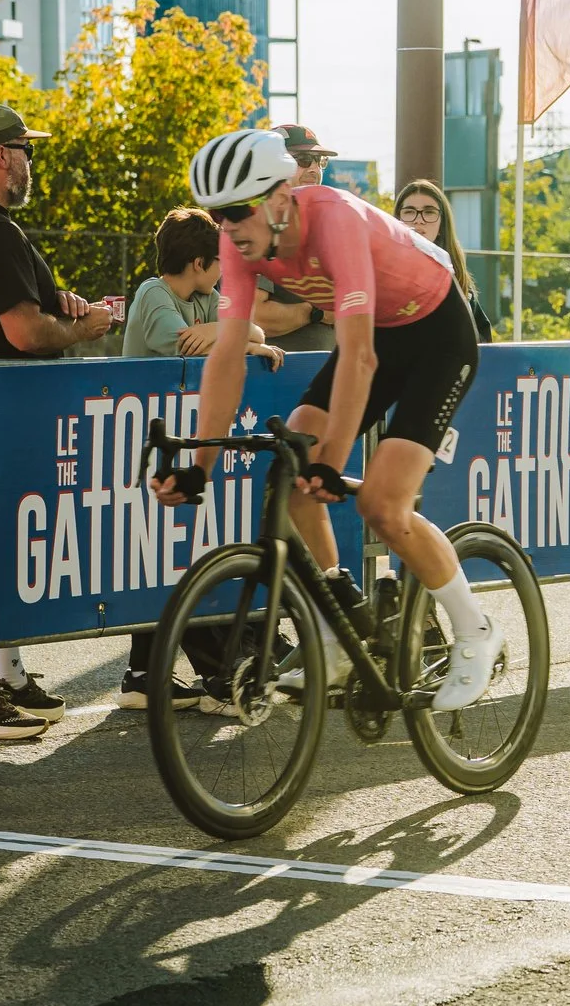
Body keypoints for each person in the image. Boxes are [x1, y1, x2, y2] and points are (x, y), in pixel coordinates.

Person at [150, 128, 499, 711]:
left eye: (239, 212)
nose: (228, 229)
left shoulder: (335, 220)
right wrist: (199, 468)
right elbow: (227, 359)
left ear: (281, 198)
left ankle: (475, 630)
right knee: (290, 486)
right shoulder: (239, 245)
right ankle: (339, 631)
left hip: (437, 333)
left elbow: (360, 355)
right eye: (219, 216)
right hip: (381, 336)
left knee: (381, 506)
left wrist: (333, 462)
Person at [0, 101, 125, 741]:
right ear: (3, 156)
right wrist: (84, 326)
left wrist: (55, 300)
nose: (31, 163)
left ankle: (6, 676)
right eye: (26, 151)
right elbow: (26, 331)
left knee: (1, 547)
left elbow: (8, 303)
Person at [116, 207, 282, 711]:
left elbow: (246, 332)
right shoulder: (152, 295)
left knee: (169, 557)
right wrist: (228, 337)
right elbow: (183, 350)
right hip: (146, 447)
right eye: (219, 263)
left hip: (183, 443)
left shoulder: (207, 298)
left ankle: (143, 675)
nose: (225, 274)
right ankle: (211, 674)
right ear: (196, 262)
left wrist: (230, 335)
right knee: (164, 559)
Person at [122, 207, 285, 365]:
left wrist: (216, 329)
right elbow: (191, 351)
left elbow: (256, 334)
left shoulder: (206, 296)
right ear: (199, 264)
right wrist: (247, 347)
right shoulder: (152, 293)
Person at [250, 123, 340, 354]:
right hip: (279, 379)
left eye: (319, 161)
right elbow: (256, 317)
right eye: (302, 159)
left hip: (329, 375)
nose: (314, 169)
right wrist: (316, 313)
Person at [395, 177, 495, 340]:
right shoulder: (383, 272)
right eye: (409, 211)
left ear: (442, 224)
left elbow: (481, 343)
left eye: (429, 212)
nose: (418, 219)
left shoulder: (456, 279)